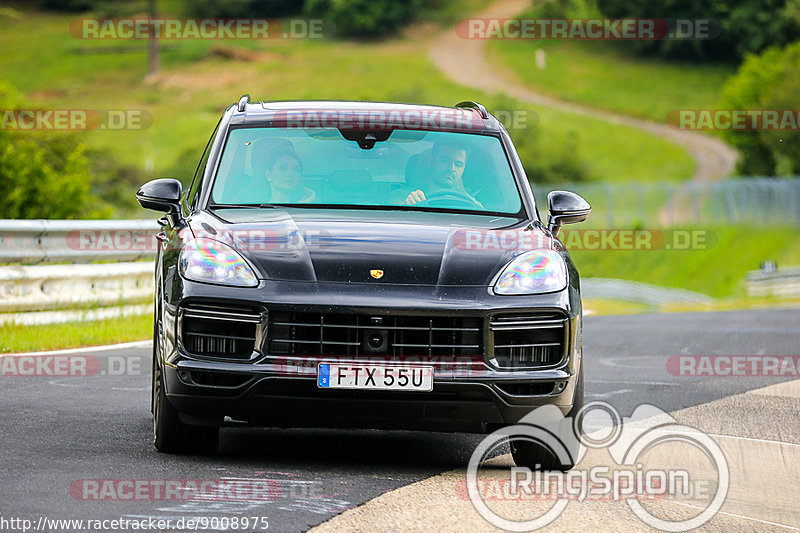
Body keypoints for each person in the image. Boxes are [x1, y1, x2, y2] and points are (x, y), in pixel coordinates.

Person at [404, 142, 481, 207]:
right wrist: (409, 205)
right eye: (444, 161)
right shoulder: (407, 196)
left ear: (464, 169)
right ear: (432, 161)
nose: (451, 168)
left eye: (458, 164)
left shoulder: (472, 204)